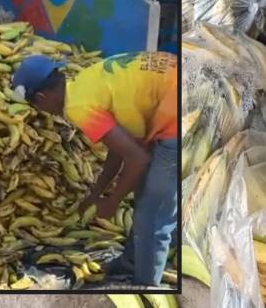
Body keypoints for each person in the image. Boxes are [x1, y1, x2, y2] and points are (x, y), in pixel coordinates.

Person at [12, 51, 178, 286]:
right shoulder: (84, 82)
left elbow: (137, 159)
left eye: (35, 106)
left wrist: (112, 202)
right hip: (172, 82)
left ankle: (147, 288)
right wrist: (96, 193)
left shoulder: (80, 107)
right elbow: (120, 148)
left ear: (41, 97)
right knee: (145, 200)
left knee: (152, 216)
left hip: (180, 108)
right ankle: (132, 263)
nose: (41, 112)